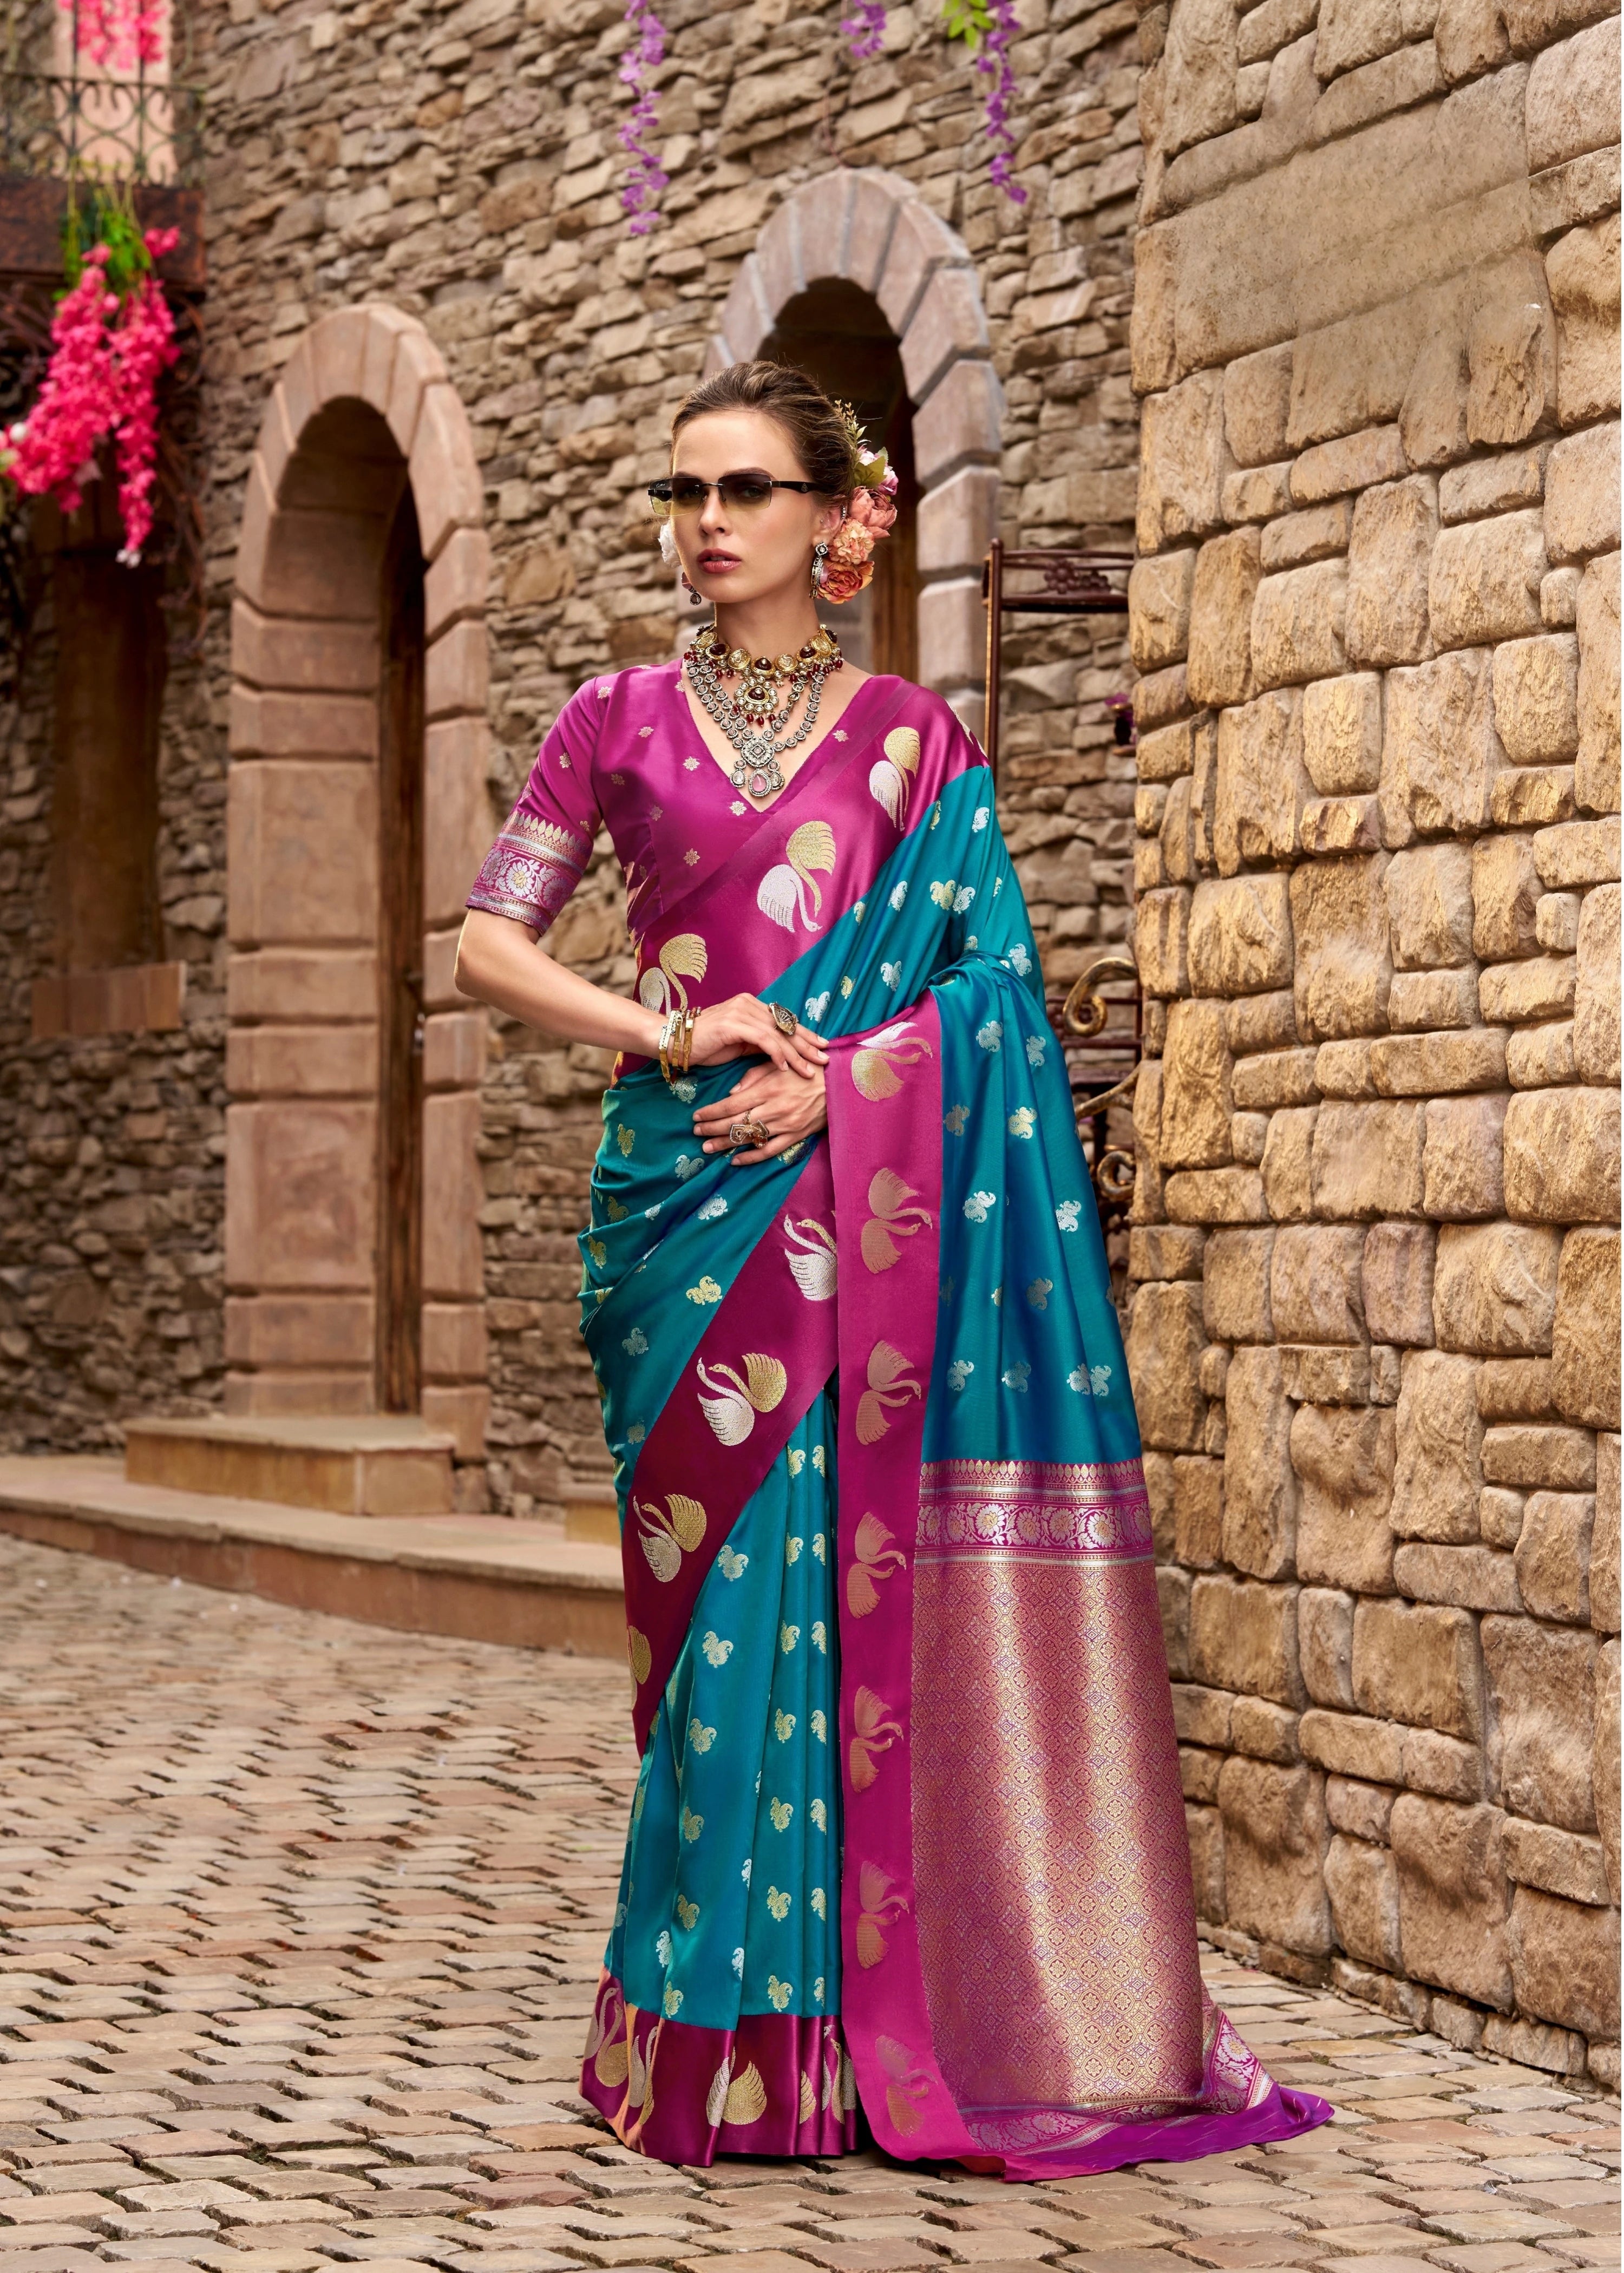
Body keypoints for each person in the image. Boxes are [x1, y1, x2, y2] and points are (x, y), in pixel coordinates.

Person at [454, 361, 1331, 2177]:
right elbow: (486, 948)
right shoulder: (613, 719)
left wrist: (845, 1083)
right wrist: (678, 1033)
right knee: (712, 1647)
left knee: (842, 1616)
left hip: (856, 1223)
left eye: (744, 491)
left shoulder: (920, 748)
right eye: (684, 493)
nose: (706, 524)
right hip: (680, 1220)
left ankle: (858, 2045)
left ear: (837, 518)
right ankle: (710, 2040)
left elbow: (995, 990)